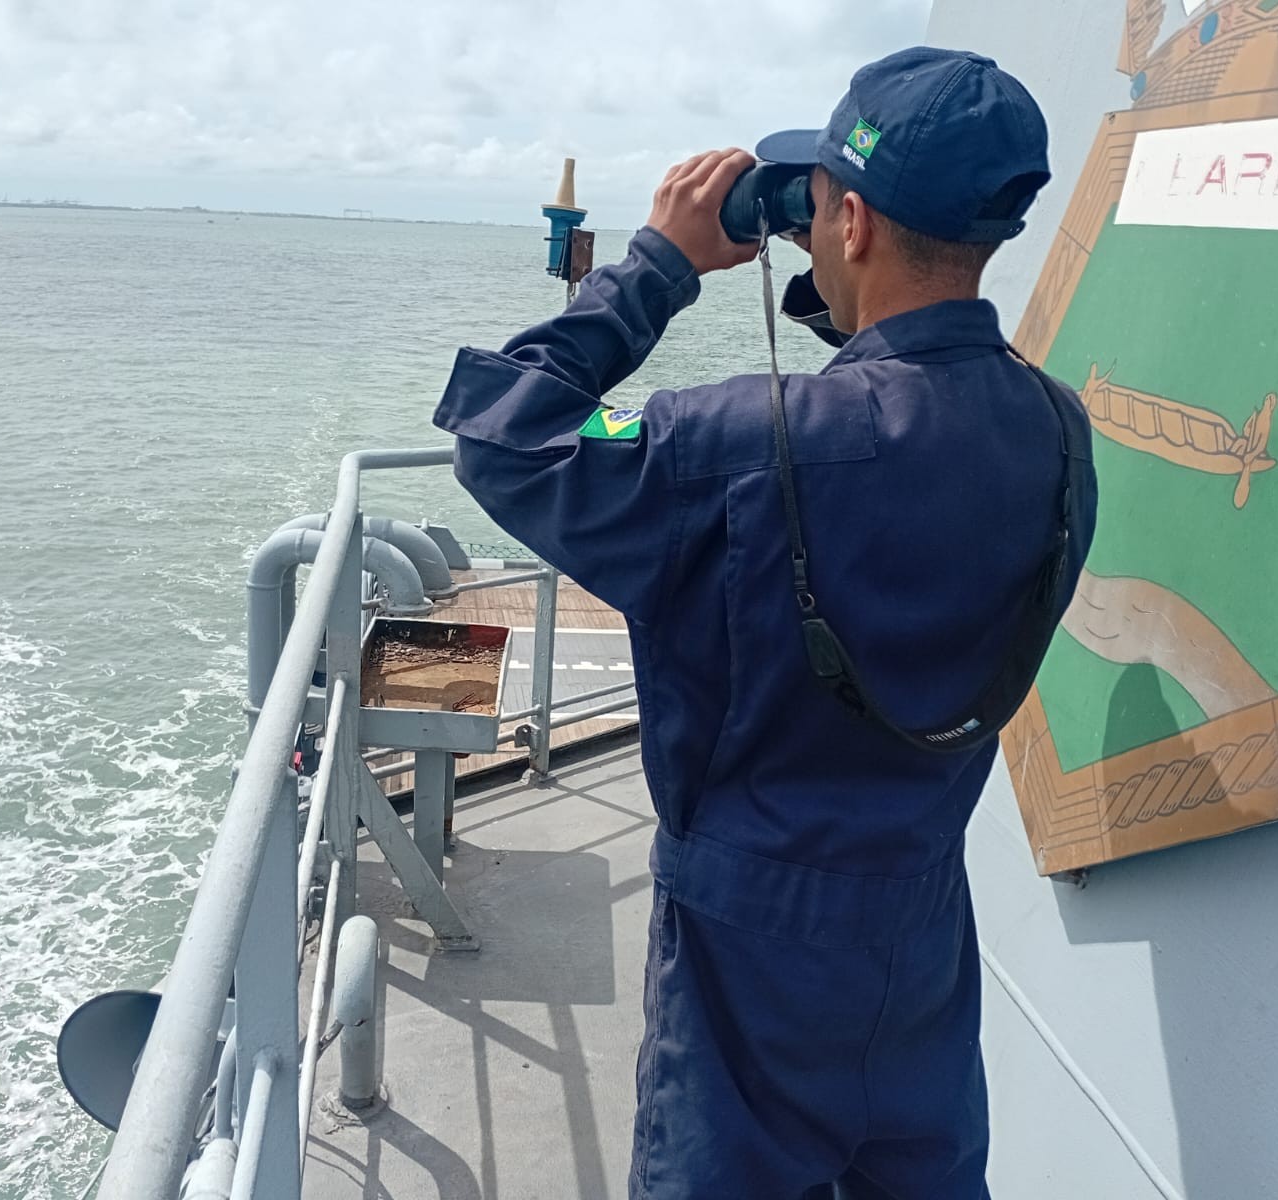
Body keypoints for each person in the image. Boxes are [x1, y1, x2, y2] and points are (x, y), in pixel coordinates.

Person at [432, 47, 1097, 1200]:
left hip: (749, 950)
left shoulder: (733, 443)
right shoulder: (1057, 433)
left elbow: (507, 431)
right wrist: (858, 303)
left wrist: (659, 266)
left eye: (823, 201)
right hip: (919, 932)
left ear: (848, 225)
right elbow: (911, 427)